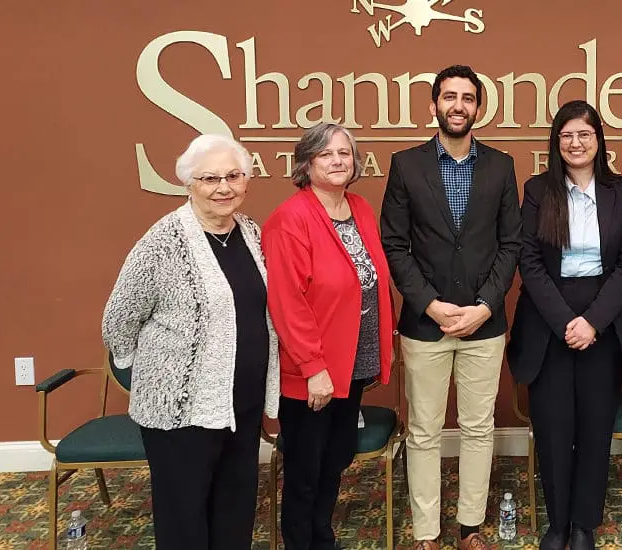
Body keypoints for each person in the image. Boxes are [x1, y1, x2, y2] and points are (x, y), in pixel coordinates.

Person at [101, 134, 279, 549]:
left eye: (233, 176)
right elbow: (118, 319)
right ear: (189, 183)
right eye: (210, 178)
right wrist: (151, 370)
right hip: (179, 410)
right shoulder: (162, 242)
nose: (224, 187)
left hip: (241, 401)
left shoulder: (250, 231)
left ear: (247, 180)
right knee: (185, 516)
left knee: (235, 506)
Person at [380, 64, 521, 550]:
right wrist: (431, 305)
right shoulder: (406, 165)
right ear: (434, 105)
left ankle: (470, 528)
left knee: (479, 428)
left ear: (479, 107)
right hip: (425, 323)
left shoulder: (502, 166)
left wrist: (485, 305)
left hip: (485, 323)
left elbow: (511, 244)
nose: (458, 105)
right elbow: (394, 245)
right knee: (423, 431)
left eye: (467, 98)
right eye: (449, 97)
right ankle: (426, 533)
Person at [507, 100, 622, 550]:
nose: (576, 143)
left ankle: (584, 523)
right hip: (550, 323)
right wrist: (567, 321)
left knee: (595, 426)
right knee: (553, 427)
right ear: (556, 141)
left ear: (599, 139)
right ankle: (558, 522)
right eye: (567, 135)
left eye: (584, 134)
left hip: (602, 322)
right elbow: (529, 261)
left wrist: (593, 323)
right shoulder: (537, 190)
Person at [262, 122, 396, 550]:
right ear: (307, 163)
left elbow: (369, 281)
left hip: (352, 365)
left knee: (335, 459)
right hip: (312, 373)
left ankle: (322, 536)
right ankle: (302, 542)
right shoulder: (290, 219)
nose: (338, 160)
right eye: (326, 154)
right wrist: (314, 367)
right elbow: (288, 302)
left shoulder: (358, 207)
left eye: (344, 153)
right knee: (305, 469)